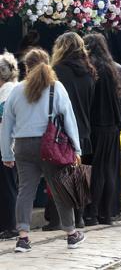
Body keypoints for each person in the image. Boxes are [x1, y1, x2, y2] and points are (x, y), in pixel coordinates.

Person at [1, 48, 85, 252]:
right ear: (48, 64)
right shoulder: (56, 88)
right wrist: (76, 148)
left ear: (26, 67)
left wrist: (6, 153)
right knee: (60, 189)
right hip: (51, 145)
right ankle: (71, 234)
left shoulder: (17, 90)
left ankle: (23, 237)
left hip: (22, 146)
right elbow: (69, 119)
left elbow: (7, 124)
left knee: (25, 191)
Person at [43, 32, 96, 231]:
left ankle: (57, 219)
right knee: (79, 176)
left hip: (61, 130)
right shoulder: (89, 71)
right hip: (84, 128)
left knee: (57, 176)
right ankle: (79, 218)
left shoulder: (56, 71)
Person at [83, 33, 121, 226]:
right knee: (109, 170)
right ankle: (108, 213)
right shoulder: (111, 68)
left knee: (94, 170)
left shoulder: (91, 68)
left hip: (96, 125)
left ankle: (91, 213)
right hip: (112, 126)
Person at [0, 51, 19, 240]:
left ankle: (10, 226)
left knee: (7, 186)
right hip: (6, 143)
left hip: (7, 145)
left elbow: (4, 119)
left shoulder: (8, 91)